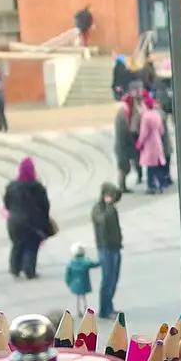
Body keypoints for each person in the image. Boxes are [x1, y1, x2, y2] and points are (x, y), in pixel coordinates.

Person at [3, 158, 53, 279]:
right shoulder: (38, 188)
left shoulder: (12, 186)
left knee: (17, 244)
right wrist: (45, 220)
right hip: (32, 222)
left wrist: (13, 212)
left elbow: (6, 202)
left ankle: (14, 268)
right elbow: (45, 205)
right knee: (31, 246)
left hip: (14, 221)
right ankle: (29, 270)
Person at [91, 182, 123, 318]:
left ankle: (110, 305)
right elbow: (102, 221)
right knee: (107, 278)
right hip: (105, 248)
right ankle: (104, 310)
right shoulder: (98, 209)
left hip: (115, 247)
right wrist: (109, 207)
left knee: (114, 278)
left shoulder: (112, 208)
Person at [136, 98, 167, 194]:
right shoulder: (156, 114)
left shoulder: (145, 117)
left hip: (149, 143)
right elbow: (161, 130)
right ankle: (160, 184)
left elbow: (144, 132)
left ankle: (151, 186)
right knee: (157, 164)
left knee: (150, 166)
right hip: (157, 140)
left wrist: (139, 143)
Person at [64, 243, 95, 314]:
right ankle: (85, 309)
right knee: (83, 297)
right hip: (84, 282)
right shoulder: (86, 262)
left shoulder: (71, 263)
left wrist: (68, 282)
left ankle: (78, 310)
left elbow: (67, 275)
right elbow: (94, 264)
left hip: (75, 283)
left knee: (78, 297)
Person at [113, 95, 137, 191]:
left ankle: (122, 186)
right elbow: (125, 134)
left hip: (121, 147)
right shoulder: (121, 120)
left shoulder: (120, 119)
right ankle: (122, 186)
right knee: (124, 167)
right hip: (122, 148)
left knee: (124, 167)